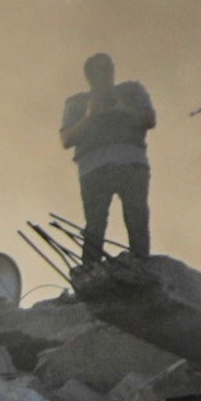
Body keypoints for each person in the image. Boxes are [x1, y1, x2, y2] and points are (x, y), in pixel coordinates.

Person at [61, 53, 159, 266]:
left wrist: (124, 109)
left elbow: (150, 119)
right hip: (95, 169)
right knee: (95, 226)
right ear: (89, 77)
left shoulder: (132, 91)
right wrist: (89, 116)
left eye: (107, 70)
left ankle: (141, 265)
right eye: (98, 73)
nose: (104, 77)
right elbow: (66, 139)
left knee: (137, 218)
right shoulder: (77, 103)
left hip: (130, 164)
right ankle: (91, 269)